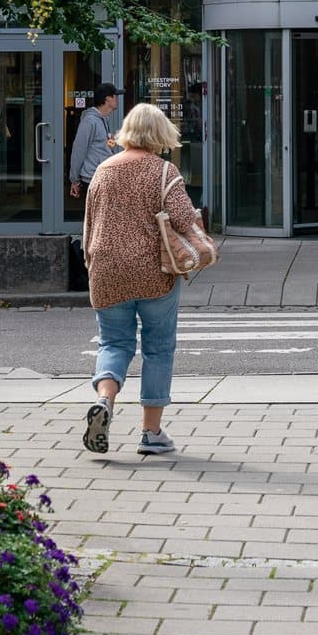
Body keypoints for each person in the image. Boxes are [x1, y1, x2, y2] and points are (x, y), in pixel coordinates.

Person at [81, 102, 196, 459]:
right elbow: (183, 219)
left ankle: (105, 400)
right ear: (161, 133)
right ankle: (151, 433)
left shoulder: (103, 170)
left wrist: (91, 264)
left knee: (113, 343)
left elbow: (89, 225)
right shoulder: (164, 171)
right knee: (158, 348)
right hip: (154, 272)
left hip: (106, 270)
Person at [69, 83, 119, 201]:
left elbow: (105, 145)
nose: (117, 99)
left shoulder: (103, 119)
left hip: (103, 177)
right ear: (107, 99)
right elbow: (79, 150)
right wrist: (75, 180)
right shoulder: (90, 121)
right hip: (93, 178)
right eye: (115, 96)